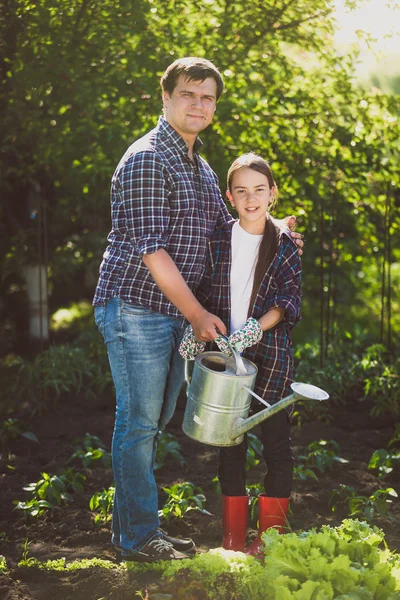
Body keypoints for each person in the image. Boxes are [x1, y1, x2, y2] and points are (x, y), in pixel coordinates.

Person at [93, 57, 303, 563]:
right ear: (165, 97)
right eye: (189, 94)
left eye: (208, 97)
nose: (199, 105)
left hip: (172, 313)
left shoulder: (203, 168)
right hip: (137, 307)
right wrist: (194, 314)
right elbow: (150, 249)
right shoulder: (147, 159)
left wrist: (279, 232)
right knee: (139, 423)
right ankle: (139, 538)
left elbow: (231, 229)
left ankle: (134, 534)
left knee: (152, 420)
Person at [179, 152, 302, 556]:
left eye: (259, 190)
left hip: (270, 355)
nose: (251, 199)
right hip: (226, 360)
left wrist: (255, 327)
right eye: (242, 191)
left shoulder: (285, 243)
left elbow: (287, 301)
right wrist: (195, 329)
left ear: (273, 194)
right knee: (230, 446)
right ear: (229, 196)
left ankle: (270, 540)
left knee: (276, 446)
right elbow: (201, 290)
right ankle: (232, 537)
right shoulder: (217, 238)